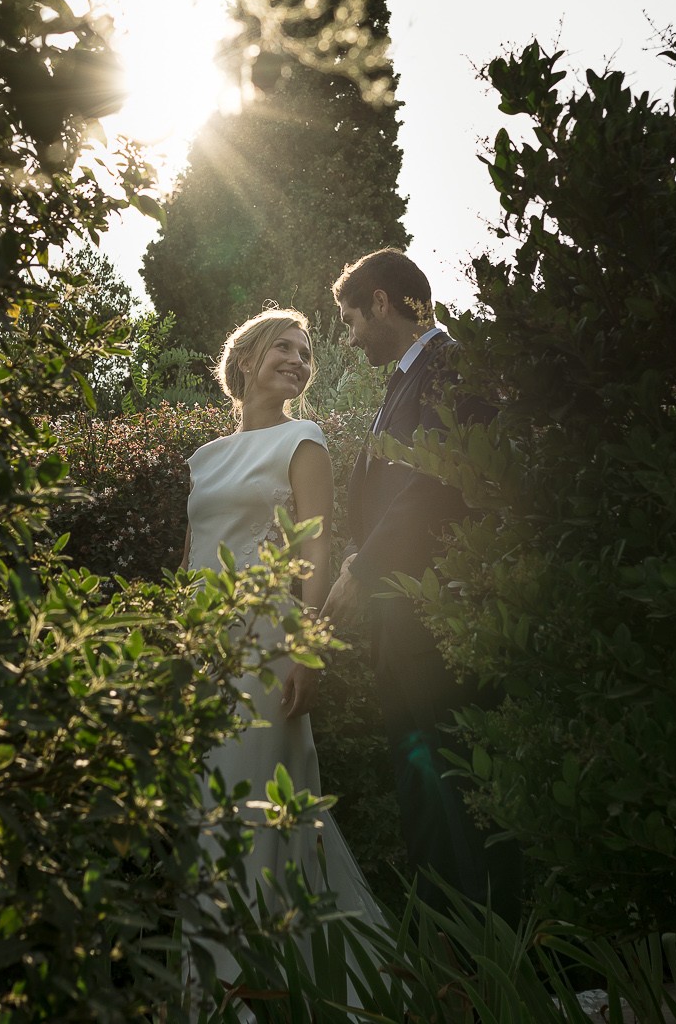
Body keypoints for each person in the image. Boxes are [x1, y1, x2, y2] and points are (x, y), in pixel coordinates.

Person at [182, 307, 383, 985]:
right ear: (245, 361)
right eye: (284, 348)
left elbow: (317, 545)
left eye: (305, 353)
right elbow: (193, 555)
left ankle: (278, 984)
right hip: (207, 649)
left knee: (263, 808)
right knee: (208, 809)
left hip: (268, 648)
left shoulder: (305, 440)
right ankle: (217, 985)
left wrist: (307, 646)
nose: (298, 360)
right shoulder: (205, 459)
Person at [319, 248, 521, 919]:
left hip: (435, 618)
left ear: (381, 301)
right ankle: (455, 958)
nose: (348, 338)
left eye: (350, 320)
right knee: (422, 788)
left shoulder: (449, 365)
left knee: (454, 781)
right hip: (402, 625)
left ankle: (497, 954)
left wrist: (363, 567)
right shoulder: (408, 378)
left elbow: (433, 488)